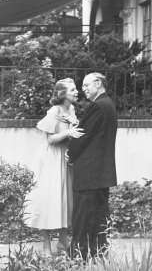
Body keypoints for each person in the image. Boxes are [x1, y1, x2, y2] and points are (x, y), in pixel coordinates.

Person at [25, 78, 84, 256]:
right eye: (72, 90)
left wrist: (74, 124)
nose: (76, 92)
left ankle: (63, 242)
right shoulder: (54, 111)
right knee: (49, 198)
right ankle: (46, 244)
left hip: (65, 157)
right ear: (62, 94)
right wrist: (68, 131)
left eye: (76, 89)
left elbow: (74, 131)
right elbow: (50, 139)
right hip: (51, 159)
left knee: (65, 198)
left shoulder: (71, 109)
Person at [68, 72, 117, 259]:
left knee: (83, 221)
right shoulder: (109, 105)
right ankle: (98, 258)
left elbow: (82, 135)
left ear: (98, 83)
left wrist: (70, 154)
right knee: (98, 222)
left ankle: (78, 260)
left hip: (89, 175)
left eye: (87, 85)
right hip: (100, 175)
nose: (84, 89)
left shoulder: (97, 106)